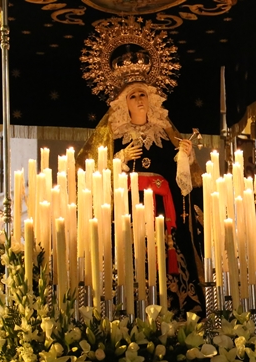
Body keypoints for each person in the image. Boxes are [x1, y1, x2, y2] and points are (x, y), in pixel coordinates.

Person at [80, 18, 205, 317]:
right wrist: (118, 160)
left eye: (142, 94)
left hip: (163, 219)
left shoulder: (164, 136)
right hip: (128, 218)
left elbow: (184, 185)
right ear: (123, 103)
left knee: (166, 269)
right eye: (132, 95)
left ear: (151, 99)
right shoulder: (113, 137)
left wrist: (184, 159)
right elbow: (91, 175)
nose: (139, 99)